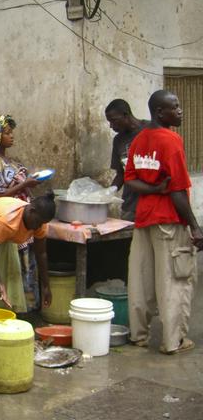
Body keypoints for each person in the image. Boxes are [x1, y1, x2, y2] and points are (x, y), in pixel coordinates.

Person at [124, 90, 203, 355]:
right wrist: (194, 225)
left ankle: (138, 335)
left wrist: (154, 189)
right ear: (159, 112)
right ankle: (173, 341)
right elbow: (178, 190)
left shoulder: (139, 139)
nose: (180, 111)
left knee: (141, 280)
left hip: (144, 219)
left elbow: (130, 180)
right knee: (174, 282)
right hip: (169, 221)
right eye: (175, 107)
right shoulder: (171, 140)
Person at [0, 115, 46, 311]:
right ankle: (16, 309)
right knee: (16, 266)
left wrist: (28, 181)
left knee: (28, 264)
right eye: (7, 133)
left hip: (25, 217)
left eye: (11, 132)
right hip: (10, 218)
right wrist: (24, 184)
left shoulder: (11, 161)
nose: (12, 136)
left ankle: (29, 307)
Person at [0, 194, 55, 312]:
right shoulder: (8, 221)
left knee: (12, 275)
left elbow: (41, 253)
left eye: (42, 223)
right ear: (31, 211)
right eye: (38, 222)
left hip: (2, 232)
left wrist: (46, 286)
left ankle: (3, 318)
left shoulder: (40, 223)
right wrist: (0, 286)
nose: (39, 226)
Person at [105, 99, 148, 221]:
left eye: (114, 121)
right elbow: (121, 174)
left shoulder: (150, 130)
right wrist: (109, 192)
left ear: (125, 115)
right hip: (130, 207)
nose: (111, 126)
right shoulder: (118, 140)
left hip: (152, 206)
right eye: (109, 122)